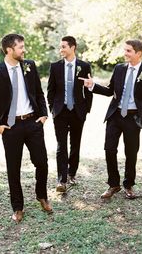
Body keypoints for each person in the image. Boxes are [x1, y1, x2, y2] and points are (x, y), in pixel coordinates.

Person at [0, 33, 52, 223]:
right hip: (10, 127)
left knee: (42, 163)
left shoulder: (29, 66)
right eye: (20, 47)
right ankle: (17, 207)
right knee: (14, 169)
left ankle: (42, 196)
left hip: (33, 123)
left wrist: (43, 115)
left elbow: (38, 92)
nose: (24, 50)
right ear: (9, 50)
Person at [80, 39, 142, 199]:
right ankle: (113, 184)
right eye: (125, 50)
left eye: (128, 51)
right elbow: (110, 90)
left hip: (133, 118)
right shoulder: (119, 69)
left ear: (138, 53)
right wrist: (92, 85)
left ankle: (128, 185)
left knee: (131, 152)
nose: (125, 53)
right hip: (115, 116)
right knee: (109, 149)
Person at [47, 36, 93, 192]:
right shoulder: (55, 67)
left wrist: (86, 109)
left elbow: (88, 89)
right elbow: (50, 90)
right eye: (60, 47)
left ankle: (72, 172)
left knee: (75, 144)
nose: (61, 50)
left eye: (63, 47)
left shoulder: (84, 66)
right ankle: (62, 180)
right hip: (60, 111)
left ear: (73, 47)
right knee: (61, 145)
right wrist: (52, 108)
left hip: (78, 112)